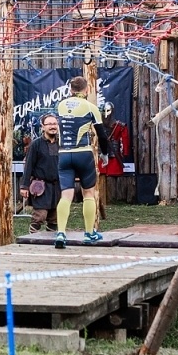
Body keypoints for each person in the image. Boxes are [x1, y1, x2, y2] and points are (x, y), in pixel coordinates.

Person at [54, 76, 112, 248]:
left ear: (70, 90)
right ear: (86, 90)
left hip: (64, 154)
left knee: (66, 195)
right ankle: (89, 233)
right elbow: (102, 135)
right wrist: (105, 154)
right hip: (83, 153)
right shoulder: (90, 107)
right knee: (88, 193)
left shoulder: (61, 105)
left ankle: (61, 233)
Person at [20, 115, 60, 232]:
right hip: (41, 186)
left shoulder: (61, 144)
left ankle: (50, 240)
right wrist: (24, 186)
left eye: (54, 124)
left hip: (57, 186)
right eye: (49, 124)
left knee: (54, 218)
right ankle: (32, 239)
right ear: (43, 127)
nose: (52, 126)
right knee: (40, 216)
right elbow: (28, 165)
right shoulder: (36, 144)